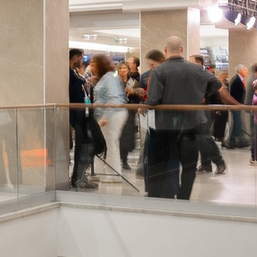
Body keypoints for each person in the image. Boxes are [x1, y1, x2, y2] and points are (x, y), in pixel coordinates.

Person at [142, 42, 222, 199]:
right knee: (189, 164)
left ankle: (162, 195)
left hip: (166, 124)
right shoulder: (197, 68)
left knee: (165, 161)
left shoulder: (160, 70)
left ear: (165, 50)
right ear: (182, 50)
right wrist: (202, 95)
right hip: (192, 123)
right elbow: (217, 83)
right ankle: (184, 196)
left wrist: (145, 105)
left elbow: (152, 100)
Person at [92, 54, 126, 181]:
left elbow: (113, 97)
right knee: (102, 143)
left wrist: (106, 116)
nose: (91, 66)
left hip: (112, 114)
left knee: (110, 144)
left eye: (93, 63)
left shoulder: (109, 77)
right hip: (106, 113)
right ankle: (98, 172)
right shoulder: (105, 78)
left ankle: (114, 175)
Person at [66, 49, 97, 189]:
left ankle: (80, 176)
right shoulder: (69, 74)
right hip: (76, 114)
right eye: (81, 58)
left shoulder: (73, 73)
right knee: (83, 144)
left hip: (81, 113)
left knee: (86, 144)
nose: (82, 60)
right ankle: (78, 177)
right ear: (75, 58)